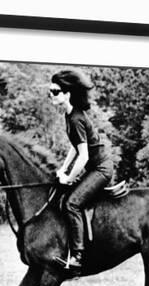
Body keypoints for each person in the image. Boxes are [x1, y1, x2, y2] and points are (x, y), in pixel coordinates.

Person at [49, 69, 114, 271]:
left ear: (68, 94)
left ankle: (77, 256)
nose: (51, 94)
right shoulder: (69, 116)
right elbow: (74, 148)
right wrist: (63, 170)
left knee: (71, 204)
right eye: (50, 91)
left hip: (101, 169)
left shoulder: (76, 118)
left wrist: (68, 177)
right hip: (94, 167)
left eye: (56, 91)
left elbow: (84, 156)